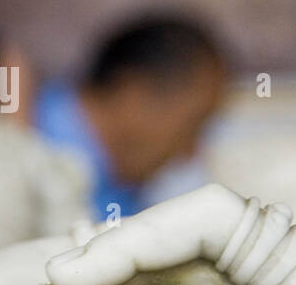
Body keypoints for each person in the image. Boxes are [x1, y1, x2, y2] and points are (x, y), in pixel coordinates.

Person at [32, 15, 228, 222]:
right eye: (192, 127)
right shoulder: (20, 133)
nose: (191, 153)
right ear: (133, 96)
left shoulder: (120, 194)